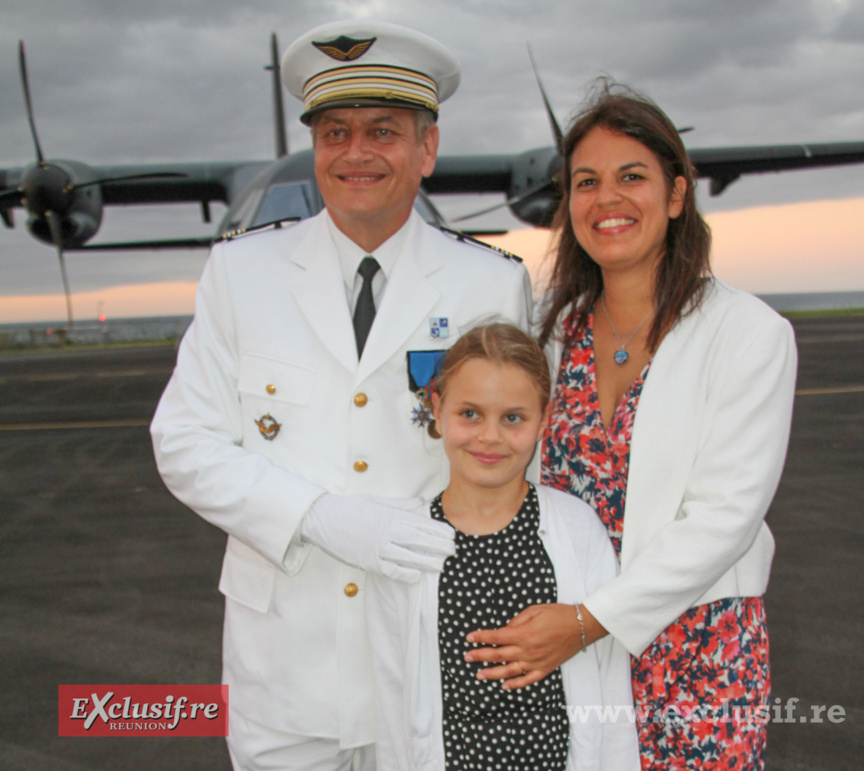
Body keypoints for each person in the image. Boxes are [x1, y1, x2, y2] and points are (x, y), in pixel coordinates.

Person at [150, 21, 531, 771]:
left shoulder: (491, 284)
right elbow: (185, 442)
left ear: (427, 148)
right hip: (284, 670)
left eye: (383, 131)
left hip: (433, 659)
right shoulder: (242, 274)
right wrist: (317, 515)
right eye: (334, 133)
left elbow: (522, 463)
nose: (356, 153)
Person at [462, 83, 797, 769]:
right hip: (565, 647)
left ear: (676, 195)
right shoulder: (550, 336)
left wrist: (589, 622)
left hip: (696, 652)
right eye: (586, 182)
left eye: (632, 177)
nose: (606, 199)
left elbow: (725, 517)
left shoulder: (749, 334)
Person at [365, 323, 640, 771]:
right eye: (470, 414)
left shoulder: (576, 530)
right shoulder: (405, 543)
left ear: (543, 420)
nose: (489, 436)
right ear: (437, 409)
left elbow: (610, 683)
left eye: (513, 418)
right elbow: (393, 698)